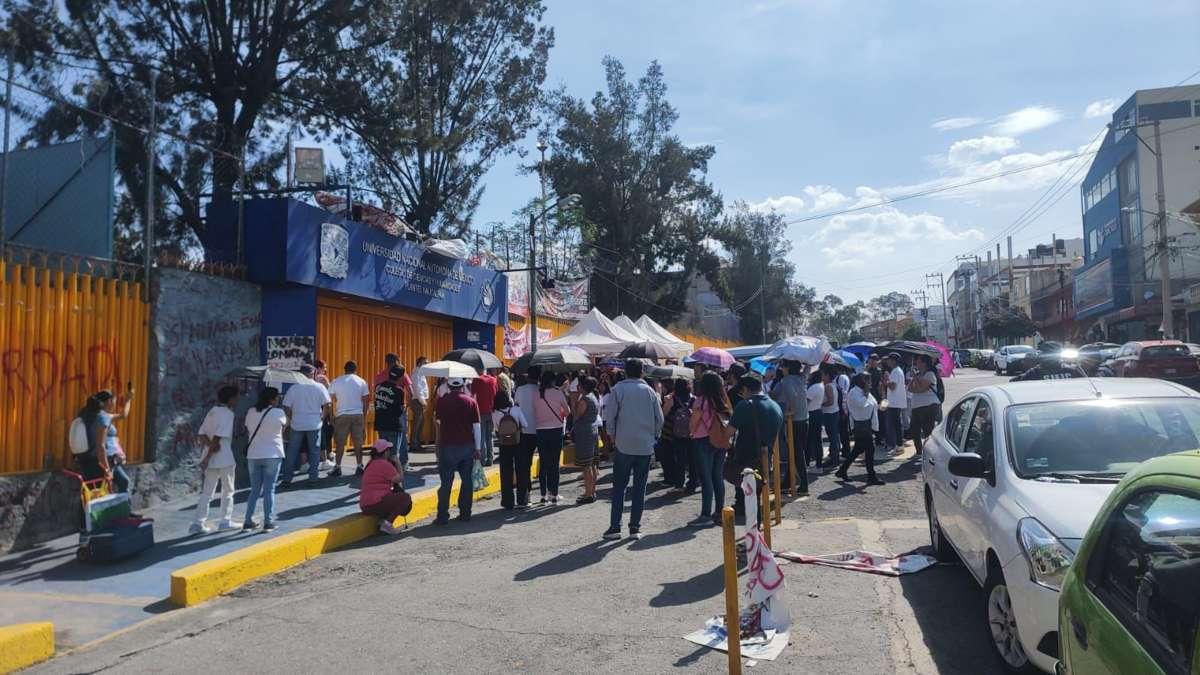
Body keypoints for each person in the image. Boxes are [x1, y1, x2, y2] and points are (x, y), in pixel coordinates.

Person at [602, 359, 664, 540]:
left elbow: (610, 416)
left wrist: (612, 437)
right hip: (645, 446)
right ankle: (635, 528)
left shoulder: (618, 390)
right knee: (639, 487)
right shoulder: (650, 392)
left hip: (623, 444)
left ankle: (615, 527)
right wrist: (653, 437)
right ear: (642, 372)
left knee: (619, 487)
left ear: (625, 371)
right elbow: (659, 419)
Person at [728, 375, 783, 524]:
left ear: (745, 389)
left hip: (747, 459)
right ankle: (755, 536)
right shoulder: (775, 405)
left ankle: (754, 540)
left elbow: (729, 432)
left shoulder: (745, 405)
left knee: (751, 501)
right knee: (754, 497)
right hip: (766, 457)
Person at [191, 385, 240, 534]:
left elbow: (202, 434)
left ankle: (198, 523)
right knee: (228, 490)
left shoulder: (212, 411)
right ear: (231, 399)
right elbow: (218, 438)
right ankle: (225, 521)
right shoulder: (228, 414)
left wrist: (208, 450)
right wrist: (209, 455)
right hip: (224, 457)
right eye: (237, 397)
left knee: (207, 492)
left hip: (211, 455)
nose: (238, 400)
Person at [434, 377, 481, 524]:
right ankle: (465, 513)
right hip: (467, 446)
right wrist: (478, 448)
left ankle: (442, 516)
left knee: (446, 482)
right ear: (462, 386)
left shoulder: (442, 401)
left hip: (447, 446)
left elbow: (438, 421)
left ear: (448, 385)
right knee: (467, 480)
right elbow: (477, 427)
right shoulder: (471, 401)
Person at [689, 371, 732, 527]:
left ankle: (705, 514)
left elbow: (694, 421)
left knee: (705, 478)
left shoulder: (701, 401)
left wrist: (691, 432)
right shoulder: (724, 399)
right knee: (717, 476)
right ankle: (719, 511)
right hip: (720, 440)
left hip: (703, 440)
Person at [244, 387, 287, 531]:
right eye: (277, 397)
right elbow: (284, 426)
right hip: (273, 454)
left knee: (254, 490)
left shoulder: (251, 411)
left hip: (253, 454)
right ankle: (268, 522)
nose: (278, 399)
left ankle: (247, 521)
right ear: (272, 399)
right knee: (269, 490)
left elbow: (248, 428)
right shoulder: (279, 412)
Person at [281, 364, 331, 485]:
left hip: (297, 424)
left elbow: (286, 405)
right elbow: (328, 405)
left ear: (300, 374)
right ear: (313, 373)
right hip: (314, 424)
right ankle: (313, 478)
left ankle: (287, 479)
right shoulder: (319, 387)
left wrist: (292, 417)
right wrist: (322, 417)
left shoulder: (294, 388)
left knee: (292, 451)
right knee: (314, 452)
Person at [78, 386, 134, 493]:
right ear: (109, 401)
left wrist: (128, 400)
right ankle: (122, 508)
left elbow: (123, 415)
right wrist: (107, 469)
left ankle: (122, 507)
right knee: (104, 490)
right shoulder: (103, 417)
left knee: (94, 492)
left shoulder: (90, 415)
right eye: (114, 400)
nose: (114, 403)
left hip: (89, 460)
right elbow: (101, 446)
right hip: (102, 461)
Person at [836, 374, 883, 485]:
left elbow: (872, 403)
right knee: (869, 450)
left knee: (857, 450)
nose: (870, 383)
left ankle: (842, 470)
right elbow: (861, 404)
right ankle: (871, 476)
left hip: (867, 424)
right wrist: (866, 392)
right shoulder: (854, 392)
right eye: (868, 380)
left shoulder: (863, 392)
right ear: (861, 381)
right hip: (861, 425)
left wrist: (880, 406)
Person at [359, 438, 412, 535]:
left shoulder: (370, 463)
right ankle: (387, 524)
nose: (389, 452)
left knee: (391, 497)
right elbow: (399, 478)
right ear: (385, 452)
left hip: (365, 505)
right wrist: (398, 463)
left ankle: (382, 521)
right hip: (376, 503)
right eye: (388, 450)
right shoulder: (384, 464)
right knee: (405, 498)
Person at [533, 370, 570, 505]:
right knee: (554, 464)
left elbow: (535, 411)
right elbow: (567, 412)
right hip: (556, 430)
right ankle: (554, 494)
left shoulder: (536, 394)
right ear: (553, 381)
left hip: (541, 431)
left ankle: (543, 495)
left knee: (543, 463)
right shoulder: (558, 393)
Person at [770, 360, 808, 492]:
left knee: (796, 453)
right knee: (796, 451)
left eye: (783, 366)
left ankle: (804, 484)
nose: (781, 368)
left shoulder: (786, 381)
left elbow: (792, 395)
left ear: (787, 367)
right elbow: (775, 394)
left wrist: (791, 409)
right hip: (804, 419)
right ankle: (787, 481)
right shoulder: (801, 377)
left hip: (794, 421)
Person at [329, 360, 371, 476]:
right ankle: (359, 466)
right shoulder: (361, 381)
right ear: (355, 369)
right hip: (358, 414)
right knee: (358, 443)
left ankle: (337, 467)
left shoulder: (336, 381)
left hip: (342, 415)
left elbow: (330, 400)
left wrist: (332, 415)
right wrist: (364, 414)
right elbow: (366, 400)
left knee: (340, 443)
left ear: (344, 369)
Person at [492, 389, 529, 509]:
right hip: (518, 442)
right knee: (521, 470)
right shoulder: (516, 409)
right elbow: (525, 424)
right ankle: (522, 500)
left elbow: (496, 429)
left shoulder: (495, 413)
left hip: (504, 444)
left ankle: (508, 501)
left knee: (505, 472)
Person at [661, 379, 695, 496]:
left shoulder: (672, 399)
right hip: (691, 433)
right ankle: (693, 483)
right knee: (692, 460)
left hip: (675, 433)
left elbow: (663, 414)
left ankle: (679, 485)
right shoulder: (693, 399)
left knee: (679, 460)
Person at [514, 367, 541, 507]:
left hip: (524, 432)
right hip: (540, 430)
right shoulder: (541, 390)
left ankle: (525, 496)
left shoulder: (520, 390)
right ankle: (545, 494)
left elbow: (516, 406)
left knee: (524, 465)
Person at [571, 377, 601, 504]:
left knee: (586, 465)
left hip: (585, 433)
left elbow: (577, 415)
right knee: (592, 464)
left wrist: (574, 401)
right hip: (592, 431)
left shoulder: (585, 399)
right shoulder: (593, 396)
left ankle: (589, 493)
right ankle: (591, 491)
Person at [374, 366, 409, 470]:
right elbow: (399, 410)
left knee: (382, 451)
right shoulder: (399, 390)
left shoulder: (378, 387)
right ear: (400, 377)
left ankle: (382, 471)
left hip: (381, 423)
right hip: (393, 425)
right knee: (393, 453)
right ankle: (395, 474)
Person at [907, 355, 941, 456]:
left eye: (918, 361)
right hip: (917, 407)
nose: (916, 363)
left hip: (929, 406)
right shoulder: (918, 374)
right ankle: (919, 451)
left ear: (924, 363)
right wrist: (915, 378)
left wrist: (915, 379)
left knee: (927, 431)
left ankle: (930, 452)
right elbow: (910, 389)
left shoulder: (930, 374)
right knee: (914, 430)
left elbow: (922, 388)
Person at [472, 368, 499, 466]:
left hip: (480, 411)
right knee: (490, 436)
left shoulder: (476, 380)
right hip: (491, 411)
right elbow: (496, 393)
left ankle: (483, 459)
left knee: (482, 436)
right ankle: (490, 459)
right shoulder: (493, 380)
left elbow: (472, 394)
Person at [883, 353, 908, 453]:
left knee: (895, 424)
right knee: (896, 424)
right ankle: (898, 444)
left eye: (889, 359)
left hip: (894, 402)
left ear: (893, 360)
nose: (888, 361)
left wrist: (886, 380)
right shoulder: (898, 371)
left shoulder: (895, 372)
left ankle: (898, 445)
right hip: (895, 402)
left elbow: (892, 386)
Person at [313, 360, 335, 468]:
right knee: (326, 432)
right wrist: (330, 415)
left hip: (313, 407)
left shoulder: (309, 379)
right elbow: (329, 394)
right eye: (324, 367)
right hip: (323, 407)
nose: (325, 369)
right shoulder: (322, 378)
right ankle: (325, 458)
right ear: (319, 368)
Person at [819, 369, 842, 467]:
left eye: (823, 375)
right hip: (834, 412)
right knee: (834, 436)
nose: (822, 377)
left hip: (830, 414)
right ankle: (834, 457)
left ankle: (834, 459)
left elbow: (830, 401)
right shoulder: (832, 385)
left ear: (828, 375)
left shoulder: (828, 386)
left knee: (832, 437)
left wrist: (820, 404)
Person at [410, 356, 430, 451]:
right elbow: (418, 389)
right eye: (425, 363)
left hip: (420, 401)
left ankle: (417, 443)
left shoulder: (421, 373)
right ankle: (414, 444)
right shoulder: (416, 373)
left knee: (420, 423)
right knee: (417, 423)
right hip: (418, 401)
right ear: (419, 364)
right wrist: (423, 401)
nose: (427, 364)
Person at [805, 371, 825, 467]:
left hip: (812, 413)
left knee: (809, 440)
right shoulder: (821, 385)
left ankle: (808, 462)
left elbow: (806, 402)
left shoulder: (814, 387)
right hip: (818, 411)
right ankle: (818, 463)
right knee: (817, 440)